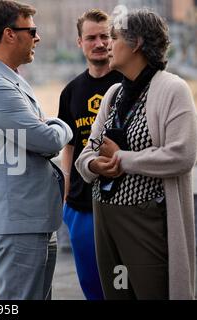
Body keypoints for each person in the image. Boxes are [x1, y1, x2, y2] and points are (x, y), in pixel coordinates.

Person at [75, 9, 197, 299]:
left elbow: (182, 155)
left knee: (152, 291)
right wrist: (96, 165)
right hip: (106, 217)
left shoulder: (173, 89)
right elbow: (85, 154)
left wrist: (122, 159)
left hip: (146, 220)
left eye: (114, 38)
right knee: (117, 293)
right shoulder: (113, 94)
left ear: (136, 43)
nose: (106, 45)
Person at [0, 0, 72, 300]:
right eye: (32, 30)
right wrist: (63, 126)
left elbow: (40, 135)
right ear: (9, 34)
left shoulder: (6, 79)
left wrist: (48, 126)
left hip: (31, 218)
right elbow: (49, 141)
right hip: (17, 221)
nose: (37, 37)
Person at [57, 9, 122, 300]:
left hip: (123, 203)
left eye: (105, 36)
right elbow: (69, 143)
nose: (99, 43)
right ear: (79, 42)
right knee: (91, 283)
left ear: (114, 39)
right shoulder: (71, 91)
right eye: (91, 37)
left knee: (123, 283)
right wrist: (66, 189)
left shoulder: (128, 85)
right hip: (82, 205)